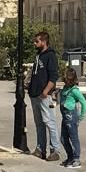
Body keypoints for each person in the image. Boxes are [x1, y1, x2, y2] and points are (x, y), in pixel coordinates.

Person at [27, 31, 61, 161]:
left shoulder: (50, 56)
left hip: (44, 95)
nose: (34, 43)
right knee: (39, 123)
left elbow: (53, 76)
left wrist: (46, 91)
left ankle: (55, 150)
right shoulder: (38, 56)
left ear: (44, 42)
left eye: (37, 41)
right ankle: (40, 149)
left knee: (49, 122)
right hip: (34, 94)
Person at [59, 68, 86, 169]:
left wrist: (81, 116)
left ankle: (76, 159)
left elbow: (84, 102)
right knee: (63, 138)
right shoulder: (65, 89)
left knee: (73, 138)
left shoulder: (74, 90)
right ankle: (70, 157)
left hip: (71, 116)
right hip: (65, 116)